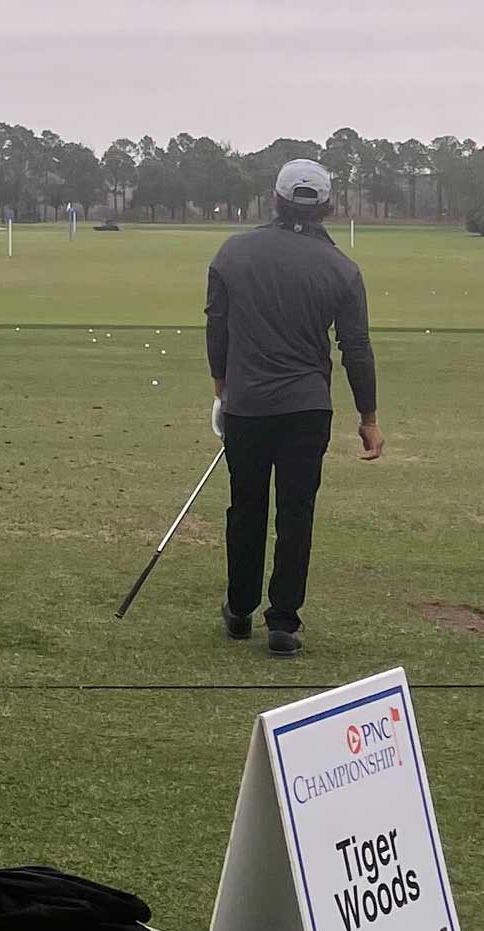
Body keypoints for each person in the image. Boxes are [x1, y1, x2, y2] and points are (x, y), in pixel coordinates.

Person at [204, 158, 383, 658]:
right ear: (326, 207)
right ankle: (282, 623)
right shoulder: (343, 269)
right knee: (296, 512)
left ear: (275, 200)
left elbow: (218, 328)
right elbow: (357, 349)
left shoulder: (232, 253)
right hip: (307, 408)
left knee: (246, 507)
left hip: (247, 404)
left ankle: (239, 610)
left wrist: (222, 389)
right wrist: (367, 418)